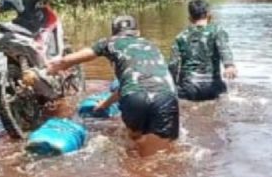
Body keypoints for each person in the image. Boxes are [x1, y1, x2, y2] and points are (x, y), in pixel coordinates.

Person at [48, 15, 178, 153]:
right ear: (137, 32)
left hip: (134, 97)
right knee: (163, 153)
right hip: (166, 95)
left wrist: (49, 69)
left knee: (135, 144)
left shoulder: (110, 42)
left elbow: (70, 60)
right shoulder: (150, 45)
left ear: (114, 33)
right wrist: (105, 104)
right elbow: (139, 83)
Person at [169, 0, 238, 101]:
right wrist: (229, 65)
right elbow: (224, 49)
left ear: (190, 18)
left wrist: (172, 86)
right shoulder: (217, 31)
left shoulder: (181, 37)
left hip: (189, 87)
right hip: (213, 86)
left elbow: (173, 65)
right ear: (208, 15)